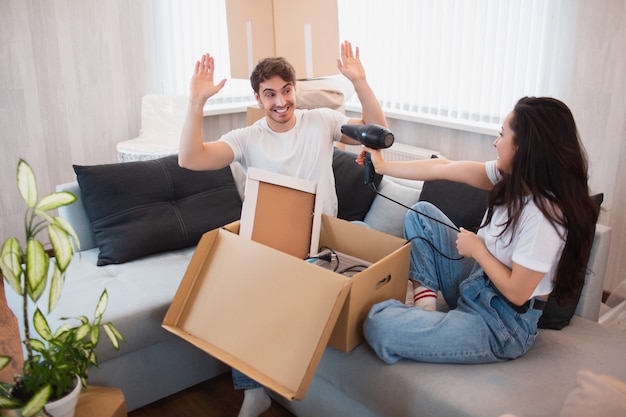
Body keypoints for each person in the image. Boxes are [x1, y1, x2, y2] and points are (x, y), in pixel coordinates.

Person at [178, 41, 387, 417]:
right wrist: (197, 103)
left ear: (295, 89)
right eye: (270, 94)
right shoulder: (247, 138)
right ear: (258, 97)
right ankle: (253, 391)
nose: (280, 102)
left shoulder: (321, 120)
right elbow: (190, 159)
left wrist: (360, 82)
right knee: (235, 291)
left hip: (320, 243)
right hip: (268, 245)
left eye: (286, 91)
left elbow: (378, 131)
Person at [359, 96, 599, 365]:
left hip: (501, 324)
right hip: (476, 283)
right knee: (421, 214)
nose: (496, 143)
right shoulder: (512, 179)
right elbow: (445, 167)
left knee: (379, 324)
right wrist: (383, 165)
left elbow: (518, 293)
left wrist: (477, 249)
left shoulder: (546, 215)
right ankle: (426, 310)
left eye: (502, 135)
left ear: (524, 148)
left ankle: (429, 324)